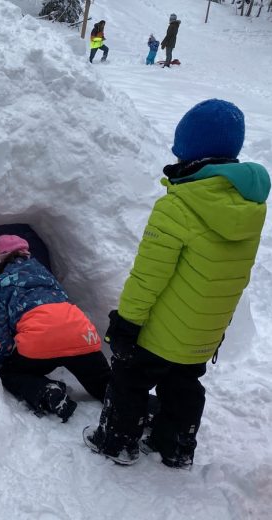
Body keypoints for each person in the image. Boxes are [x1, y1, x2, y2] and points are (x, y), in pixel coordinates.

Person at [84, 99, 270, 468]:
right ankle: (175, 446)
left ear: (188, 150)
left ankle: (117, 442)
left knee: (130, 377)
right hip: (205, 331)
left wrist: (127, 322)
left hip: (160, 332)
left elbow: (148, 275)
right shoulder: (249, 207)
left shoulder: (178, 206)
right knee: (183, 384)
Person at [0, 234, 110, 423]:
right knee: (106, 383)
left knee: (12, 373)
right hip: (81, 335)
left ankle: (47, 393)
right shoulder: (46, 275)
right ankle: (149, 409)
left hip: (42, 344)